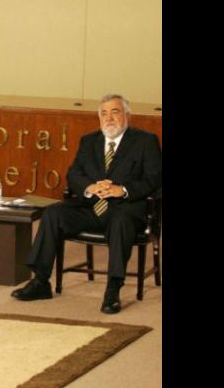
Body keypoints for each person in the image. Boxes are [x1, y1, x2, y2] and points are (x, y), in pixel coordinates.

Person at [11, 94, 162, 313]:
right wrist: (90, 188)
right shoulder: (89, 141)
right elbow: (73, 174)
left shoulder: (145, 141)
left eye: (115, 112)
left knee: (120, 221)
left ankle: (113, 290)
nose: (109, 118)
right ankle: (40, 281)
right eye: (103, 113)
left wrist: (123, 190)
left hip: (124, 210)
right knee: (54, 213)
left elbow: (155, 178)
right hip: (91, 207)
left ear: (127, 115)